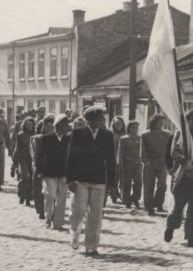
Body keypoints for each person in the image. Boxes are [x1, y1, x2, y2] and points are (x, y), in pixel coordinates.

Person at [66, 105, 116, 256]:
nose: (100, 122)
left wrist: (112, 183)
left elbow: (111, 160)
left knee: (95, 214)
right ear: (89, 120)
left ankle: (91, 246)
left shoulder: (107, 135)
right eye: (97, 119)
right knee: (78, 211)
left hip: (99, 179)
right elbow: (71, 157)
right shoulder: (78, 133)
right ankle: (74, 235)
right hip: (80, 179)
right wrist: (70, 179)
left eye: (101, 119)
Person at [164, 109, 193, 248]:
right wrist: (185, 162)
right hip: (181, 174)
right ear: (188, 121)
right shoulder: (181, 134)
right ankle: (171, 226)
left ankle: (191, 237)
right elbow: (174, 151)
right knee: (178, 206)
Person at [37, 114, 71, 230]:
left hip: (64, 173)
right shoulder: (46, 139)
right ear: (59, 125)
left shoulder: (68, 139)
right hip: (49, 173)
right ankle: (48, 219)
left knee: (61, 199)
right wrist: (40, 171)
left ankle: (58, 223)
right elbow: (40, 156)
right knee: (50, 196)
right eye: (66, 124)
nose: (68, 126)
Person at [141, 114, 172, 215]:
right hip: (150, 163)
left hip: (162, 163)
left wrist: (169, 162)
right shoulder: (145, 135)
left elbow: (169, 150)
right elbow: (142, 150)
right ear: (153, 122)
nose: (161, 124)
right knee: (149, 186)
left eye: (162, 122)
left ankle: (158, 203)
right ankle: (149, 207)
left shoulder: (167, 134)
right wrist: (145, 161)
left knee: (162, 185)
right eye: (159, 122)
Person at [31, 117, 54, 219]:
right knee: (38, 189)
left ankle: (51, 211)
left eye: (51, 126)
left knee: (51, 190)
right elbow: (33, 153)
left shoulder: (55, 139)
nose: (49, 128)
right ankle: (41, 210)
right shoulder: (36, 138)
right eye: (47, 126)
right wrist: (37, 164)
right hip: (39, 166)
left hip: (51, 166)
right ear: (43, 126)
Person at [12, 116, 36, 206]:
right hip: (23, 159)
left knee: (32, 178)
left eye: (31, 124)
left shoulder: (35, 134)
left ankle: (28, 197)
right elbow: (17, 148)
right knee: (25, 176)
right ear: (24, 125)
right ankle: (22, 195)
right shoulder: (20, 135)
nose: (29, 126)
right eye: (28, 124)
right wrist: (14, 162)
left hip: (32, 159)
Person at [118, 120, 142, 209]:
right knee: (126, 183)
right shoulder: (124, 139)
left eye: (136, 128)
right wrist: (120, 163)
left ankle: (134, 198)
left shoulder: (140, 138)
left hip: (138, 164)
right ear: (129, 128)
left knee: (138, 183)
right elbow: (120, 152)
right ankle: (127, 201)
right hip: (127, 163)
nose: (135, 129)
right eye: (133, 128)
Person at [108, 116, 127, 204]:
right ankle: (114, 196)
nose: (118, 125)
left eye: (120, 123)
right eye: (116, 124)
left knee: (124, 178)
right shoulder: (111, 134)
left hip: (125, 158)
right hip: (114, 158)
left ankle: (124, 196)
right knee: (115, 178)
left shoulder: (126, 134)